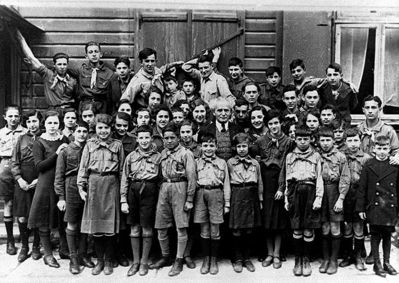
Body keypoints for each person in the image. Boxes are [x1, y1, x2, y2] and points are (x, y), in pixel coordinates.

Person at [77, 114, 125, 276]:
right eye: (100, 128)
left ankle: (109, 260)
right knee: (96, 227)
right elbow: (83, 168)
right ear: (95, 129)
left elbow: (122, 172)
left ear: (111, 129)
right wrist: (81, 188)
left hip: (112, 185)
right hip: (94, 185)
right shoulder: (89, 145)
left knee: (110, 226)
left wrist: (122, 193)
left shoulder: (118, 145)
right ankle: (100, 261)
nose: (103, 131)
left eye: (106, 127)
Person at [150, 123, 196, 277]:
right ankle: (165, 256)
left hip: (180, 188)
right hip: (165, 188)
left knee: (181, 227)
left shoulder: (186, 153)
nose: (169, 141)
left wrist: (189, 198)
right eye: (166, 138)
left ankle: (179, 259)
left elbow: (191, 177)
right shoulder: (162, 153)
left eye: (172, 138)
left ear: (178, 138)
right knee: (161, 226)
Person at [28, 111, 69, 268]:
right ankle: (48, 254)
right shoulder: (39, 142)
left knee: (61, 217)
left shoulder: (63, 139)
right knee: (44, 219)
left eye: (56, 123)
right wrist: (57, 154)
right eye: (50, 123)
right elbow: (39, 166)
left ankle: (64, 249)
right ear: (44, 124)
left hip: (61, 182)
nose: (53, 126)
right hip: (45, 183)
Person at [120, 125, 162, 276]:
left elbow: (161, 180)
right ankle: (136, 261)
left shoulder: (158, 156)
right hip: (133, 191)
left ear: (151, 138)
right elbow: (124, 178)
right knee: (134, 228)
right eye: (141, 138)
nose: (144, 141)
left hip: (150, 192)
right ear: (137, 139)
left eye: (147, 137)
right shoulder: (131, 157)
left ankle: (144, 261)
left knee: (147, 227)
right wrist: (123, 199)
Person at [357, 135, 399, 277]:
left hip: (389, 206)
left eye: (385, 148)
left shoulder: (394, 165)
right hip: (374, 206)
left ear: (389, 149)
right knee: (375, 236)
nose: (382, 151)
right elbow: (362, 188)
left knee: (387, 235)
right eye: (379, 148)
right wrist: (361, 208)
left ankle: (387, 262)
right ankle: (377, 263)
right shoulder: (368, 165)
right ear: (374, 149)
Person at [254, 110, 292, 269]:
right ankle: (269, 253)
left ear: (281, 123)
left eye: (276, 123)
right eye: (270, 124)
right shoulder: (261, 141)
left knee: (279, 221)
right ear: (266, 125)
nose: (273, 126)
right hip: (265, 183)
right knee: (267, 220)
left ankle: (277, 253)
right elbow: (256, 162)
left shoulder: (288, 141)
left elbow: (286, 165)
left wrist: (282, 188)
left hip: (279, 181)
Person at [54, 120, 93, 274]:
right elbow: (59, 176)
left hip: (88, 186)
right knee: (72, 223)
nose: (82, 134)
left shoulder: (91, 149)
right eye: (79, 131)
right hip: (71, 186)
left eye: (84, 131)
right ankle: (73, 258)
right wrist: (61, 197)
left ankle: (83, 254)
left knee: (85, 222)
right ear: (73, 133)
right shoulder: (65, 151)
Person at [284, 126, 324, 277]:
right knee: (296, 228)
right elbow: (287, 178)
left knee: (308, 227)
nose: (302, 142)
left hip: (310, 191)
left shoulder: (316, 156)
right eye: (299, 139)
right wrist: (286, 199)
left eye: (305, 139)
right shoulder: (289, 156)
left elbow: (319, 177)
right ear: (295, 139)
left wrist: (318, 198)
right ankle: (298, 260)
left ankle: (306, 260)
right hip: (294, 191)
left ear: (311, 139)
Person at [16, 30, 77, 113]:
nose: (62, 67)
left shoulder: (72, 81)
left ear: (67, 65)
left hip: (69, 112)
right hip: (53, 111)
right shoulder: (48, 75)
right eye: (59, 64)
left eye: (64, 64)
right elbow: (32, 59)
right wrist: (21, 38)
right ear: (54, 65)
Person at [195, 132, 230, 275]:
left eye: (211, 145)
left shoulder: (222, 163)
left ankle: (214, 259)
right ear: (200, 147)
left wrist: (227, 203)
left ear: (216, 146)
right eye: (205, 145)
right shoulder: (197, 162)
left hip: (216, 194)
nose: (208, 148)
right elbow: (192, 181)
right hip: (200, 194)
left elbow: (226, 184)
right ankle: (206, 259)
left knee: (215, 229)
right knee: (204, 229)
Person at [228, 133, 262, 273]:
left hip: (251, 195)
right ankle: (238, 258)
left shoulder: (255, 163)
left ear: (249, 147)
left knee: (249, 229)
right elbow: (227, 183)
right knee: (236, 229)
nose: (242, 149)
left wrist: (260, 200)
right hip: (237, 194)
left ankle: (247, 258)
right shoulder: (230, 163)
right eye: (239, 146)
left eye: (244, 146)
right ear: (235, 148)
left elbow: (260, 182)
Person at [318, 127, 350, 274]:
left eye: (328, 140)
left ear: (333, 140)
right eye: (322, 140)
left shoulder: (340, 157)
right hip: (320, 193)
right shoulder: (316, 155)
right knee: (324, 227)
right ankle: (325, 258)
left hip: (334, 192)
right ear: (318, 141)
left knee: (335, 227)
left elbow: (345, 178)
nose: (325, 143)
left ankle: (333, 259)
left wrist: (341, 198)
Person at [11, 110, 42, 262]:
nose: (32, 124)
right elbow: (14, 161)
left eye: (35, 121)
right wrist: (19, 179)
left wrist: (39, 180)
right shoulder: (21, 139)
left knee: (37, 214)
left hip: (40, 180)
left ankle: (36, 246)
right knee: (22, 216)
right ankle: (24, 246)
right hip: (23, 181)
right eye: (29, 121)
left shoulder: (44, 138)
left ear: (40, 122)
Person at [340, 127, 371, 271]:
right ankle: (348, 255)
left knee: (358, 227)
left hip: (359, 197)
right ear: (345, 142)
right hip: (345, 197)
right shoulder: (341, 157)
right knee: (347, 227)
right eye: (350, 140)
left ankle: (358, 256)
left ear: (360, 141)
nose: (353, 144)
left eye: (355, 140)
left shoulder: (366, 158)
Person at [0, 105, 27, 256]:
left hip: (22, 168)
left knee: (23, 203)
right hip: (5, 167)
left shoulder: (25, 132)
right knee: (8, 202)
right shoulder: (1, 133)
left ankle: (25, 242)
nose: (13, 119)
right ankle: (10, 240)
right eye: (10, 116)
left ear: (20, 117)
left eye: (16, 116)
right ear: (5, 117)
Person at [69, 41, 116, 114]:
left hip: (101, 107)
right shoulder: (81, 71)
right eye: (90, 52)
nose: (94, 54)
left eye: (96, 52)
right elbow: (64, 69)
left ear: (100, 54)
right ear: (86, 56)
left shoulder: (109, 73)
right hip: (85, 106)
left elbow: (114, 97)